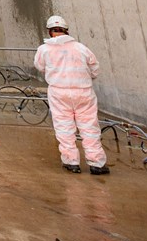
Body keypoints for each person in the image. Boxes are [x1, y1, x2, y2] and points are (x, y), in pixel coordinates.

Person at [34, 15, 109, 175]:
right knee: (89, 127)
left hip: (59, 92)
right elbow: (95, 68)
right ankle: (97, 163)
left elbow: (40, 66)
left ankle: (71, 162)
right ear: (66, 30)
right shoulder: (81, 48)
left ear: (49, 31)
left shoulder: (44, 49)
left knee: (64, 127)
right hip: (83, 91)